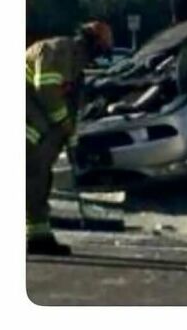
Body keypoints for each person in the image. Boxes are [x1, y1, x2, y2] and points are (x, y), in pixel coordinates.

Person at [26, 20, 113, 256]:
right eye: (101, 50)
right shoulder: (60, 50)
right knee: (32, 174)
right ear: (92, 43)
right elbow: (46, 89)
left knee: (37, 176)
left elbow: (68, 111)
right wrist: (63, 123)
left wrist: (73, 143)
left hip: (35, 124)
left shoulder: (76, 67)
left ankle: (38, 237)